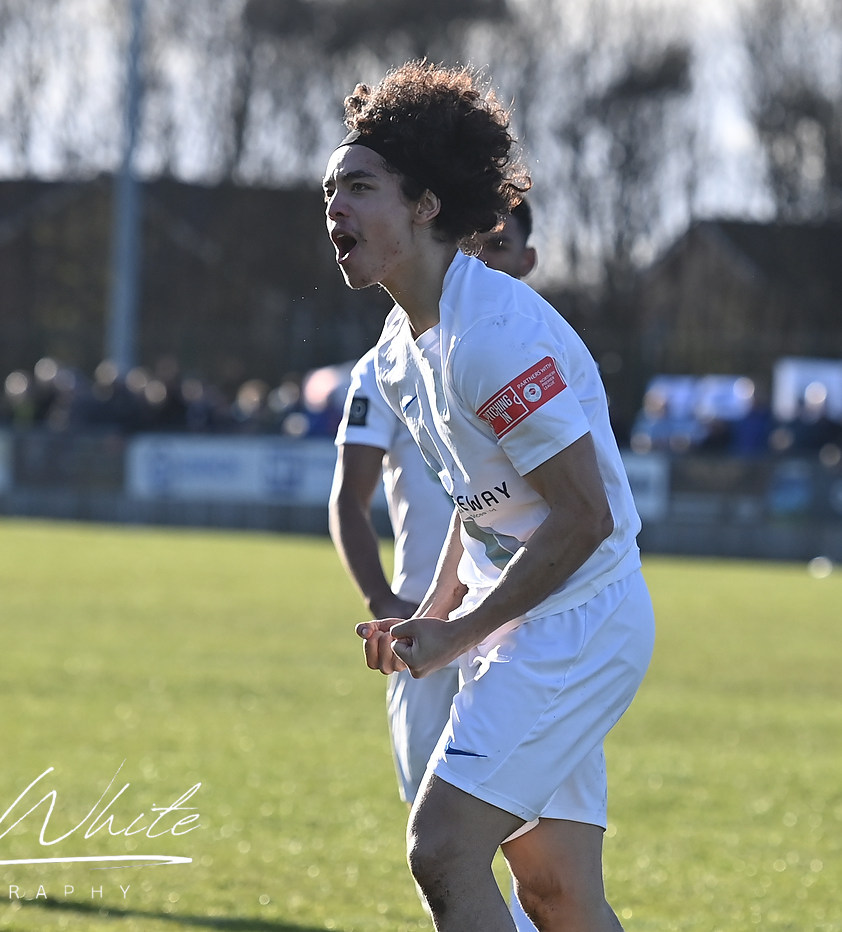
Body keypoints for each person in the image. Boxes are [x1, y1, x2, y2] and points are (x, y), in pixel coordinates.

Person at [325, 63, 655, 930]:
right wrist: (432, 612)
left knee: (441, 846)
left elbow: (586, 517)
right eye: (330, 191)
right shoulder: (399, 350)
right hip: (527, 625)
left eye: (359, 187)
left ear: (426, 204)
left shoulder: (493, 336)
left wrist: (460, 631)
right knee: (557, 896)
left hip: (578, 625)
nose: (335, 208)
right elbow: (479, 506)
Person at [329, 199, 542, 930]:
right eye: (472, 245)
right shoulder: (386, 365)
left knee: (535, 854)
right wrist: (388, 604)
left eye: (500, 246)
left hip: (527, 631)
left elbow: (583, 506)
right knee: (442, 843)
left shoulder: (537, 353)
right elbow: (350, 500)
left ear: (528, 260)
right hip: (426, 634)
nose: (482, 261)